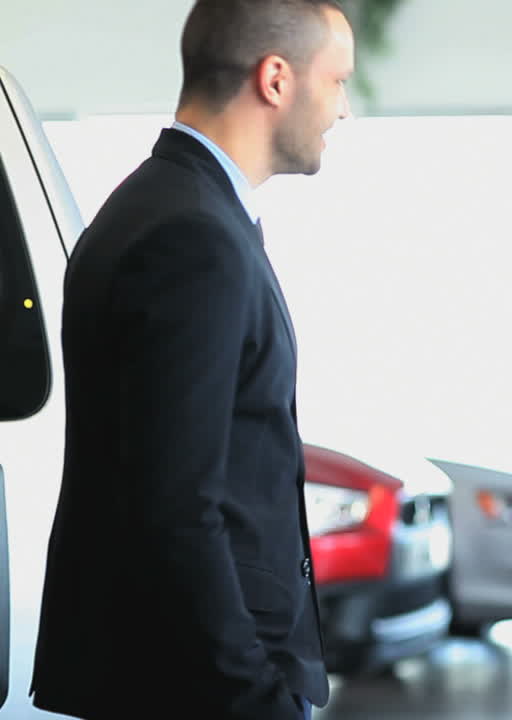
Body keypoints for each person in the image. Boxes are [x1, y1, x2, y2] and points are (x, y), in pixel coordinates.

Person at [31, 1, 354, 718]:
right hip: (197, 688)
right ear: (276, 79)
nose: (344, 110)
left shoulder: (159, 205)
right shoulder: (191, 235)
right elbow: (175, 507)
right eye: (337, 82)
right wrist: (255, 695)